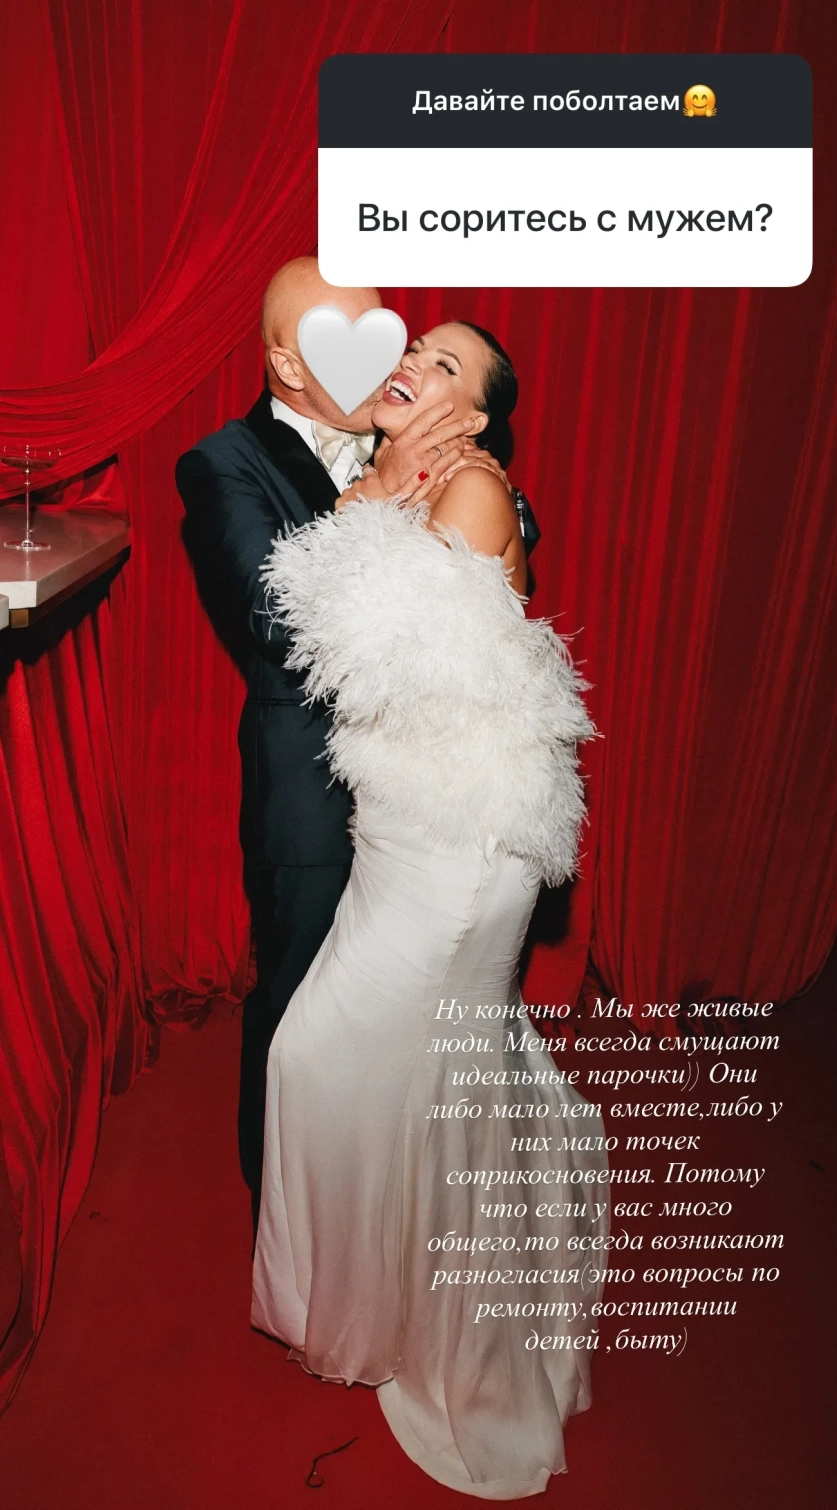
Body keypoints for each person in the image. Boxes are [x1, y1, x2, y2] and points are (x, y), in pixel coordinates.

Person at [251, 322, 608, 1498]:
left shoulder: (469, 494)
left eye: (447, 365)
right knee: (395, 1073)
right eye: (416, 346)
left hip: (460, 855)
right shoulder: (413, 483)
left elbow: (361, 656)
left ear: (480, 418)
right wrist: (376, 488)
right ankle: (386, 1292)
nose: (412, 359)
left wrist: (371, 496)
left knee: (337, 1059)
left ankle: (450, 1329)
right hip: (401, 835)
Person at [175, 260, 528, 1225]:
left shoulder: (417, 433)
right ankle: (289, 1225)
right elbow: (272, 618)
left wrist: (461, 476)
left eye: (391, 335)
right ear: (290, 364)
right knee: (300, 1016)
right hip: (310, 790)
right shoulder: (221, 462)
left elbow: (507, 536)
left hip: (427, 799)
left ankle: (393, 1216)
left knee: (407, 1030)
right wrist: (376, 489)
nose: (389, 360)